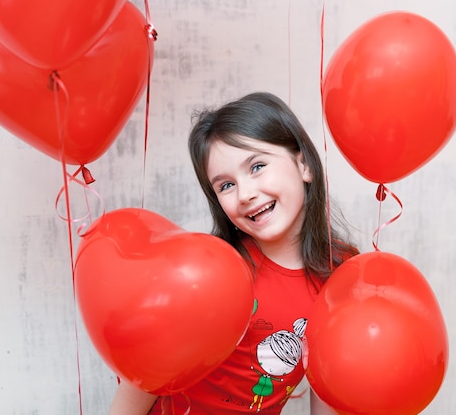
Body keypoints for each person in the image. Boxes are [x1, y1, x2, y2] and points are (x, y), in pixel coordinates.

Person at [108, 92, 359, 415]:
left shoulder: (341, 270)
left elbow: (326, 385)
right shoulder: (212, 271)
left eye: (257, 166)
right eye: (225, 185)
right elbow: (142, 377)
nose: (246, 194)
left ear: (304, 164)